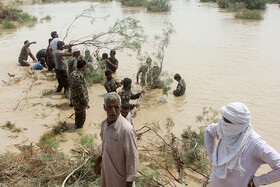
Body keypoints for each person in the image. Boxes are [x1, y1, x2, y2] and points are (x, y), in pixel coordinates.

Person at [204, 102, 280, 187]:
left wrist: (256, 182)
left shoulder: (255, 144)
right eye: (223, 118)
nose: (222, 123)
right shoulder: (222, 130)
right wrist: (213, 157)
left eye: (227, 121)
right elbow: (208, 131)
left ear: (239, 124)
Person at [94, 92, 139, 187]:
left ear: (120, 106)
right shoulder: (104, 124)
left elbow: (133, 158)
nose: (113, 111)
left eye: (116, 107)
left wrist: (129, 182)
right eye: (110, 107)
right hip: (107, 174)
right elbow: (104, 145)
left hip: (120, 180)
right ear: (104, 107)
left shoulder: (126, 130)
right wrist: (99, 161)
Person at [70, 60, 90, 129]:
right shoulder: (78, 76)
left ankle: (76, 128)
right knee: (81, 117)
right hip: (79, 101)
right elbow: (80, 91)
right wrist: (85, 102)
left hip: (75, 99)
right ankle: (78, 131)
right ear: (83, 66)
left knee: (78, 115)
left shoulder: (73, 73)